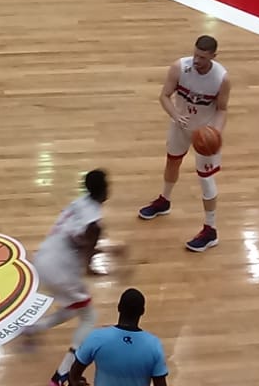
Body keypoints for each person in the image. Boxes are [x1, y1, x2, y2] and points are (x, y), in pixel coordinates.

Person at [138, 35, 230, 252]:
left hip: (204, 132)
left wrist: (215, 133)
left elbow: (222, 109)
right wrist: (175, 115)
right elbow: (164, 96)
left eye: (203, 57)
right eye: (195, 55)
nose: (197, 60)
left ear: (213, 56)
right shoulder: (179, 67)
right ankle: (164, 201)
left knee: (206, 179)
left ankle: (211, 230)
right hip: (180, 125)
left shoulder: (222, 78)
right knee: (172, 162)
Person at [27, 170, 114, 386]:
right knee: (89, 317)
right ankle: (63, 374)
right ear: (103, 190)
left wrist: (100, 252)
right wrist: (98, 264)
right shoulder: (95, 224)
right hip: (61, 269)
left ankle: (35, 327)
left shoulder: (79, 202)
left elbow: (76, 240)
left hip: (43, 257)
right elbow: (87, 260)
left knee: (75, 307)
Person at [70, 288, 169, 386]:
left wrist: (77, 382)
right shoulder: (153, 345)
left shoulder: (96, 337)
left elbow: (73, 376)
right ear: (142, 311)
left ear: (119, 307)